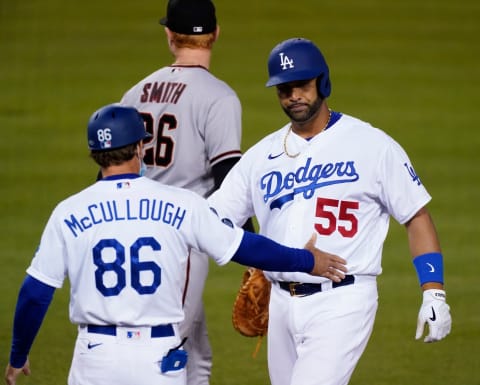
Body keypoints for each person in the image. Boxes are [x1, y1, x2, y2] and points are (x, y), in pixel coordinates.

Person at [4, 104, 348, 385]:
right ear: (140, 147)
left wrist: (18, 355)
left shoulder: (68, 211)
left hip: (95, 354)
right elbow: (244, 245)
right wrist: (307, 260)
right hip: (158, 357)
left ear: (95, 153)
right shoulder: (181, 204)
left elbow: (35, 292)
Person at [207, 38, 452, 385]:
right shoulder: (261, 156)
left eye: (302, 86)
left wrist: (434, 290)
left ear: (322, 83)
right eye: (284, 89)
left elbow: (416, 216)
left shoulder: (371, 145)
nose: (294, 96)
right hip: (279, 303)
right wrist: (251, 255)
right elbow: (213, 218)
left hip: (342, 301)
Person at [118, 1, 252, 383]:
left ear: (168, 35)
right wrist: (255, 251)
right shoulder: (219, 97)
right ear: (216, 33)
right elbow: (229, 176)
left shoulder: (134, 93)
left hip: (128, 232)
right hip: (179, 242)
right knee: (164, 350)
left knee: (196, 353)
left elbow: (108, 173)